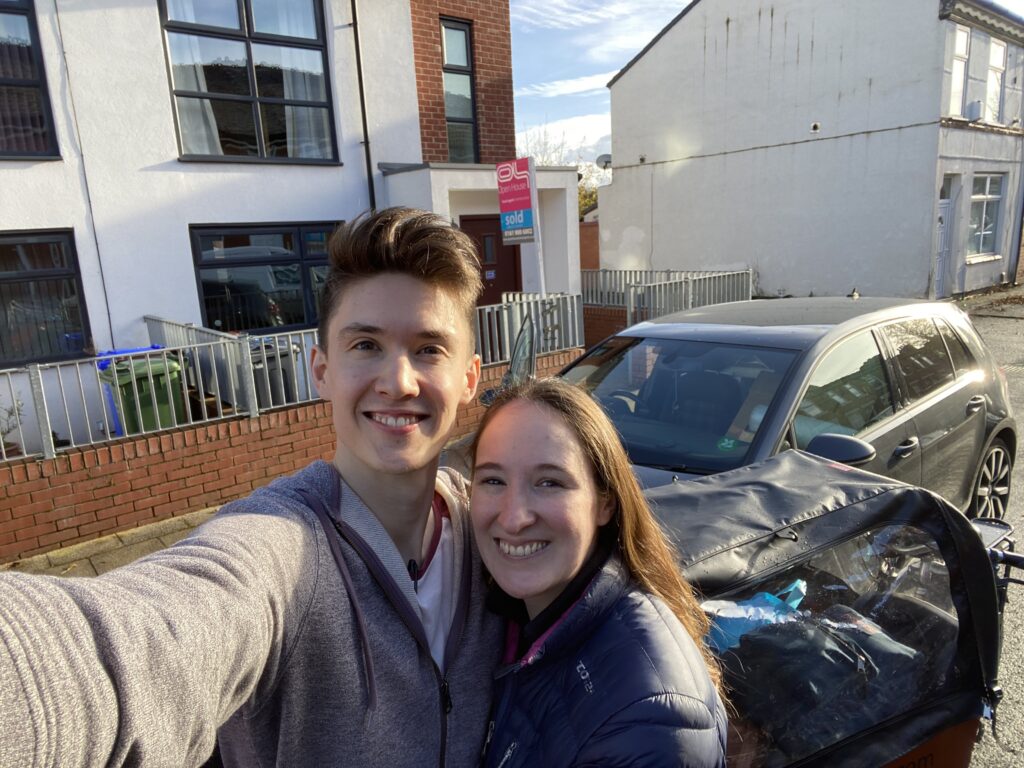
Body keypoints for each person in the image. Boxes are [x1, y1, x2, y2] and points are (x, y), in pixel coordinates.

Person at [0, 207, 502, 767]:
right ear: (321, 370)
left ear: (469, 379)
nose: (398, 381)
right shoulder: (281, 550)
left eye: (429, 348)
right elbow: (138, 646)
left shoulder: (494, 527)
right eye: (365, 345)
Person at [470, 377, 728, 767]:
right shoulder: (519, 617)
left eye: (549, 482)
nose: (514, 517)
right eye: (493, 480)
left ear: (604, 503)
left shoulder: (648, 722)